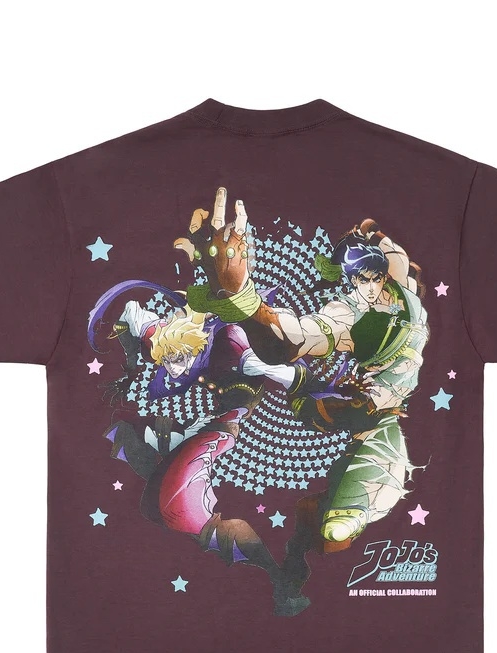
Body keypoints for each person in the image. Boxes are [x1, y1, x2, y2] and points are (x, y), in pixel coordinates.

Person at [174, 188, 430, 597]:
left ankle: (298, 557)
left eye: (374, 276)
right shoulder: (347, 313)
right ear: (350, 279)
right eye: (359, 279)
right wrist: (241, 294)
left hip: (380, 420)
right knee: (340, 519)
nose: (369, 286)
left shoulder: (399, 278)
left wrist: (369, 231)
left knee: (334, 523)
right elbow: (295, 334)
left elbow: (387, 249)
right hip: (364, 410)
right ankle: (298, 560)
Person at [88, 286, 312, 616]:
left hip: (219, 428)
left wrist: (307, 384)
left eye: (179, 360)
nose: (172, 368)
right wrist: (132, 365)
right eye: (166, 360)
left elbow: (279, 371)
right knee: (127, 434)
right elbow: (131, 312)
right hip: (200, 427)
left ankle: (281, 585)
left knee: (179, 511)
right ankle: (279, 582)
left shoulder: (232, 343)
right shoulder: (165, 337)